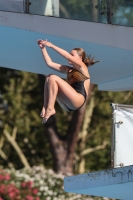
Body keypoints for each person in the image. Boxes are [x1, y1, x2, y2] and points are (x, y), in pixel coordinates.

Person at [37, 39, 98, 123]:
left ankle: (50, 108)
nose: (70, 55)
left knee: (53, 77)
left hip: (78, 99)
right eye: (70, 54)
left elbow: (67, 56)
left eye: (72, 54)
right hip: (67, 104)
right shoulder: (68, 69)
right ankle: (46, 106)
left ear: (80, 58)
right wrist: (43, 48)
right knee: (48, 78)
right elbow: (49, 63)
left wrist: (51, 45)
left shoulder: (82, 67)